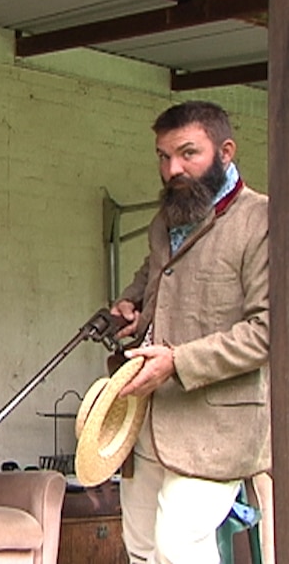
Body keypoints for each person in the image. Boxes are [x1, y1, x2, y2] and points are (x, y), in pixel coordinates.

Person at [110, 100, 270, 563]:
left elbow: (266, 333)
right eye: (163, 156)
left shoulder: (262, 220)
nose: (172, 168)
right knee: (140, 549)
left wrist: (177, 361)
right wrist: (132, 306)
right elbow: (154, 279)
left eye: (187, 153)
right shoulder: (168, 219)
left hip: (218, 425)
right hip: (148, 419)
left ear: (226, 151)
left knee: (179, 548)